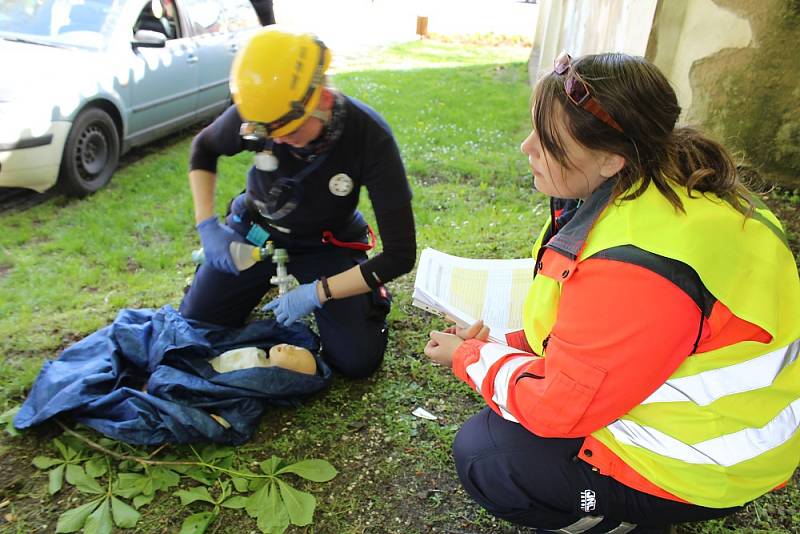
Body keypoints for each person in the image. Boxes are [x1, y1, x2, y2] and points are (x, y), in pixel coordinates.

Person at [424, 51, 800, 533]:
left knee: (487, 458)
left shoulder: (637, 265)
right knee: (503, 429)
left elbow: (557, 406)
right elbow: (595, 330)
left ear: (610, 157)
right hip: (718, 424)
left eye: (549, 141)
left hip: (698, 466)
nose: (525, 147)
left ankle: (617, 520)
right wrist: (508, 343)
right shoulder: (660, 185)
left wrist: (468, 357)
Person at [181, 27, 416, 379]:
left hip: (325, 243)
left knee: (357, 360)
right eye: (268, 135)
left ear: (321, 99)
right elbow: (204, 148)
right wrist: (207, 226)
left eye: (289, 133)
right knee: (196, 325)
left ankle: (336, 296)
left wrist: (319, 292)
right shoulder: (264, 112)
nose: (279, 143)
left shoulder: (369, 138)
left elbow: (400, 254)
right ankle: (250, 284)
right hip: (257, 230)